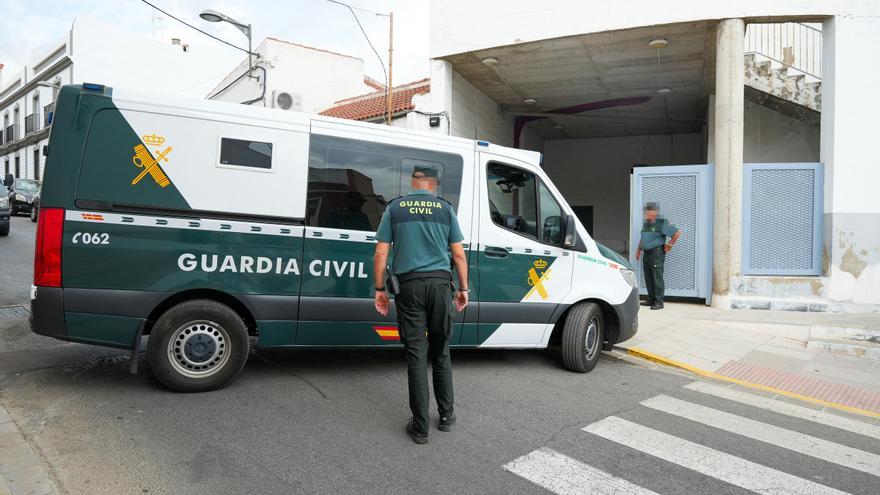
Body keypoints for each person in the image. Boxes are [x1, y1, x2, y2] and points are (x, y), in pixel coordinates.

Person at [373, 166, 469, 445]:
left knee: (416, 356)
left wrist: (380, 290)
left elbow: (381, 253)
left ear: (413, 183)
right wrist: (463, 289)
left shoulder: (396, 208)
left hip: (409, 287)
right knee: (441, 352)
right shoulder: (445, 209)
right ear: (432, 185)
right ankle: (447, 416)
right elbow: (459, 255)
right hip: (441, 286)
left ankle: (421, 427)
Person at [635, 202, 681, 310]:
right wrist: (638, 249)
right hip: (646, 254)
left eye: (650, 211)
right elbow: (643, 238)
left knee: (657, 278)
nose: (648, 213)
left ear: (655, 212)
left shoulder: (661, 222)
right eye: (647, 212)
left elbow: (677, 233)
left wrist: (670, 245)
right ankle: (651, 299)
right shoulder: (647, 223)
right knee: (649, 278)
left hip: (656, 254)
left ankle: (659, 302)